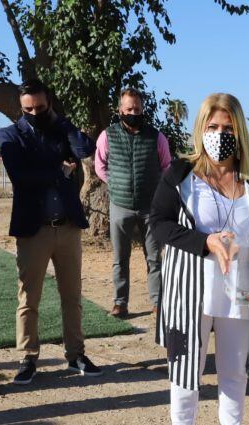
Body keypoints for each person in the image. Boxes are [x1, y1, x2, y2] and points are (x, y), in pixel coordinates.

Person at [149, 92, 249, 425]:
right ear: (200, 130)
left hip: (238, 293)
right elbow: (160, 224)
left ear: (241, 132)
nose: (220, 135)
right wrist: (204, 242)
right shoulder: (181, 175)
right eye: (212, 127)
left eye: (228, 128)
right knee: (187, 371)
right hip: (189, 292)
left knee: (234, 372)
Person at [0, 79, 101, 385]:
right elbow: (21, 176)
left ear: (49, 104)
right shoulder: (10, 134)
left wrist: (61, 122)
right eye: (28, 108)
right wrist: (58, 169)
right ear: (20, 107)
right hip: (33, 230)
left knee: (72, 295)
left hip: (67, 227)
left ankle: (76, 355)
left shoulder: (60, 129)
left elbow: (85, 148)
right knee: (29, 298)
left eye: (40, 108)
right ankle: (27, 358)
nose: (34, 112)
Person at [93, 88, 172, 319]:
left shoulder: (156, 137)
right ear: (120, 110)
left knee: (154, 258)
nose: (133, 112)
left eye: (137, 109)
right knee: (120, 258)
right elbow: (100, 166)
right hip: (120, 206)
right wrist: (116, 183)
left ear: (142, 109)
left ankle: (158, 303)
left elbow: (167, 166)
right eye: (128, 109)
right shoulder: (107, 136)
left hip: (151, 207)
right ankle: (120, 303)